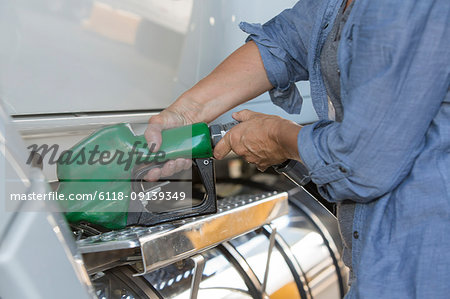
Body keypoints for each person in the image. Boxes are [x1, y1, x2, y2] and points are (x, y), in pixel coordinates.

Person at [144, 0, 450, 297]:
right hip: (378, 262)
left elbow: (363, 164)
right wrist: (186, 115)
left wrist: (280, 138)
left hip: (426, 264)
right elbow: (287, 41)